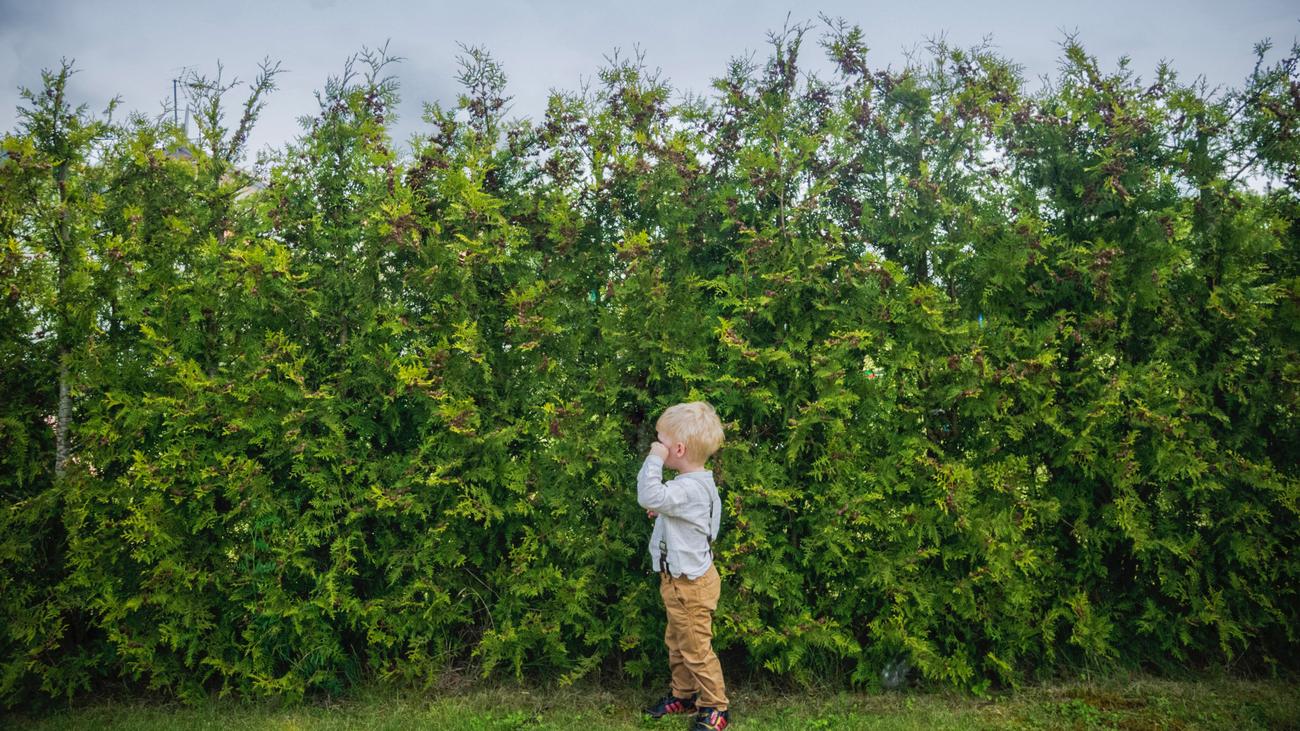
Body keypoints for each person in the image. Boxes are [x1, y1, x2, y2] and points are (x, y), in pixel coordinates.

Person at [637, 401, 730, 731]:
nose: (656, 446)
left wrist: (653, 460)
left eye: (660, 442)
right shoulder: (698, 484)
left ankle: (716, 707)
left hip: (689, 585)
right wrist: (665, 511)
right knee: (678, 642)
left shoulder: (687, 488)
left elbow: (648, 495)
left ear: (677, 449)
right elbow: (703, 523)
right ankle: (685, 694)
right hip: (680, 580)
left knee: (696, 649)